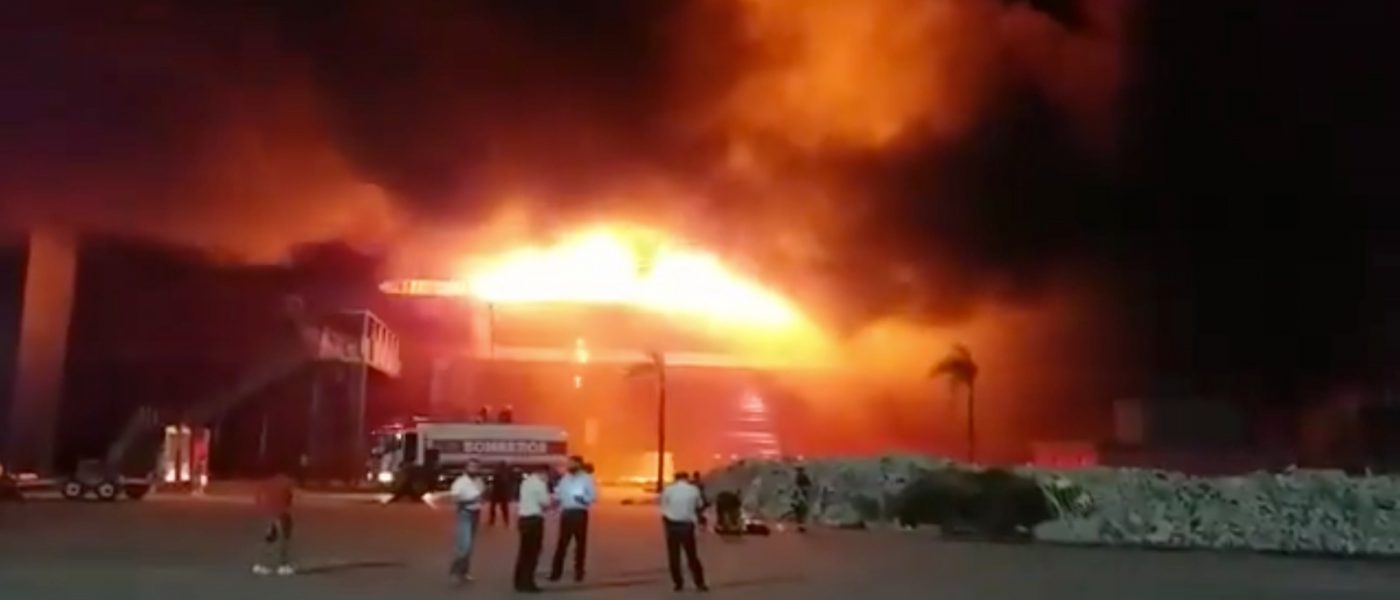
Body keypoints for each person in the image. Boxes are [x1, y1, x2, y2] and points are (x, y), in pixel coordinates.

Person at [549, 455, 597, 582]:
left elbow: (593, 496)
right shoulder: (565, 478)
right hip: (566, 513)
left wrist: (583, 499)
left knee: (580, 545)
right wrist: (554, 502)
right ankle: (555, 573)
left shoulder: (586, 478)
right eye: (568, 463)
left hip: (579, 513)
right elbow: (559, 493)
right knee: (562, 544)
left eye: (571, 463)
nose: (569, 465)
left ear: (579, 464)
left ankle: (579, 572)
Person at [660, 472, 708, 592]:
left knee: (674, 556)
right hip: (687, 525)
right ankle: (700, 583)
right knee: (692, 555)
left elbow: (664, 507)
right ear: (687, 478)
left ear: (675, 478)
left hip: (672, 525)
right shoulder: (693, 490)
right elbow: (699, 505)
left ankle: (678, 583)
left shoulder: (668, 489)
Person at [514, 465, 553, 593]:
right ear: (543, 473)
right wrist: (552, 500)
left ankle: (518, 581)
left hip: (523, 519)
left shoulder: (526, 482)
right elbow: (545, 502)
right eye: (548, 476)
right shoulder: (540, 484)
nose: (548, 479)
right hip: (534, 521)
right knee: (533, 553)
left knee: (524, 552)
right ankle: (528, 583)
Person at [253, 472, 297, 576]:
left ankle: (260, 564)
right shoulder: (287, 483)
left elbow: (259, 495)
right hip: (280, 513)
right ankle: (283, 565)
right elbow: (288, 499)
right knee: (283, 539)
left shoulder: (269, 483)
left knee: (269, 539)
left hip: (271, 512)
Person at [448, 462, 484, 585]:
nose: (474, 469)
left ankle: (464, 572)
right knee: (465, 545)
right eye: (471, 467)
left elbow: (482, 494)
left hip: (476, 513)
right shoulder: (460, 482)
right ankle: (454, 571)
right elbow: (454, 499)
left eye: (476, 467)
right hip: (465, 513)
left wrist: (481, 500)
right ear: (466, 468)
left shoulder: (479, 481)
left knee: (470, 545)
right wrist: (472, 500)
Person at [487, 462, 515, 527]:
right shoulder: (505, 474)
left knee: (494, 507)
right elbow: (508, 483)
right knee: (504, 508)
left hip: (496, 492)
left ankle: (492, 520)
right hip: (502, 493)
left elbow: (492, 482)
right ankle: (506, 520)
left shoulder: (497, 473)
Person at [792, 466, 814, 533]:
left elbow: (809, 485)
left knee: (800, 511)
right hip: (801, 495)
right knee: (800, 511)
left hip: (801, 495)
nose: (798, 472)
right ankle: (801, 526)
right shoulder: (801, 476)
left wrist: (802, 489)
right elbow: (809, 485)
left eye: (799, 470)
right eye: (798, 470)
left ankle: (801, 526)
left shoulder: (802, 476)